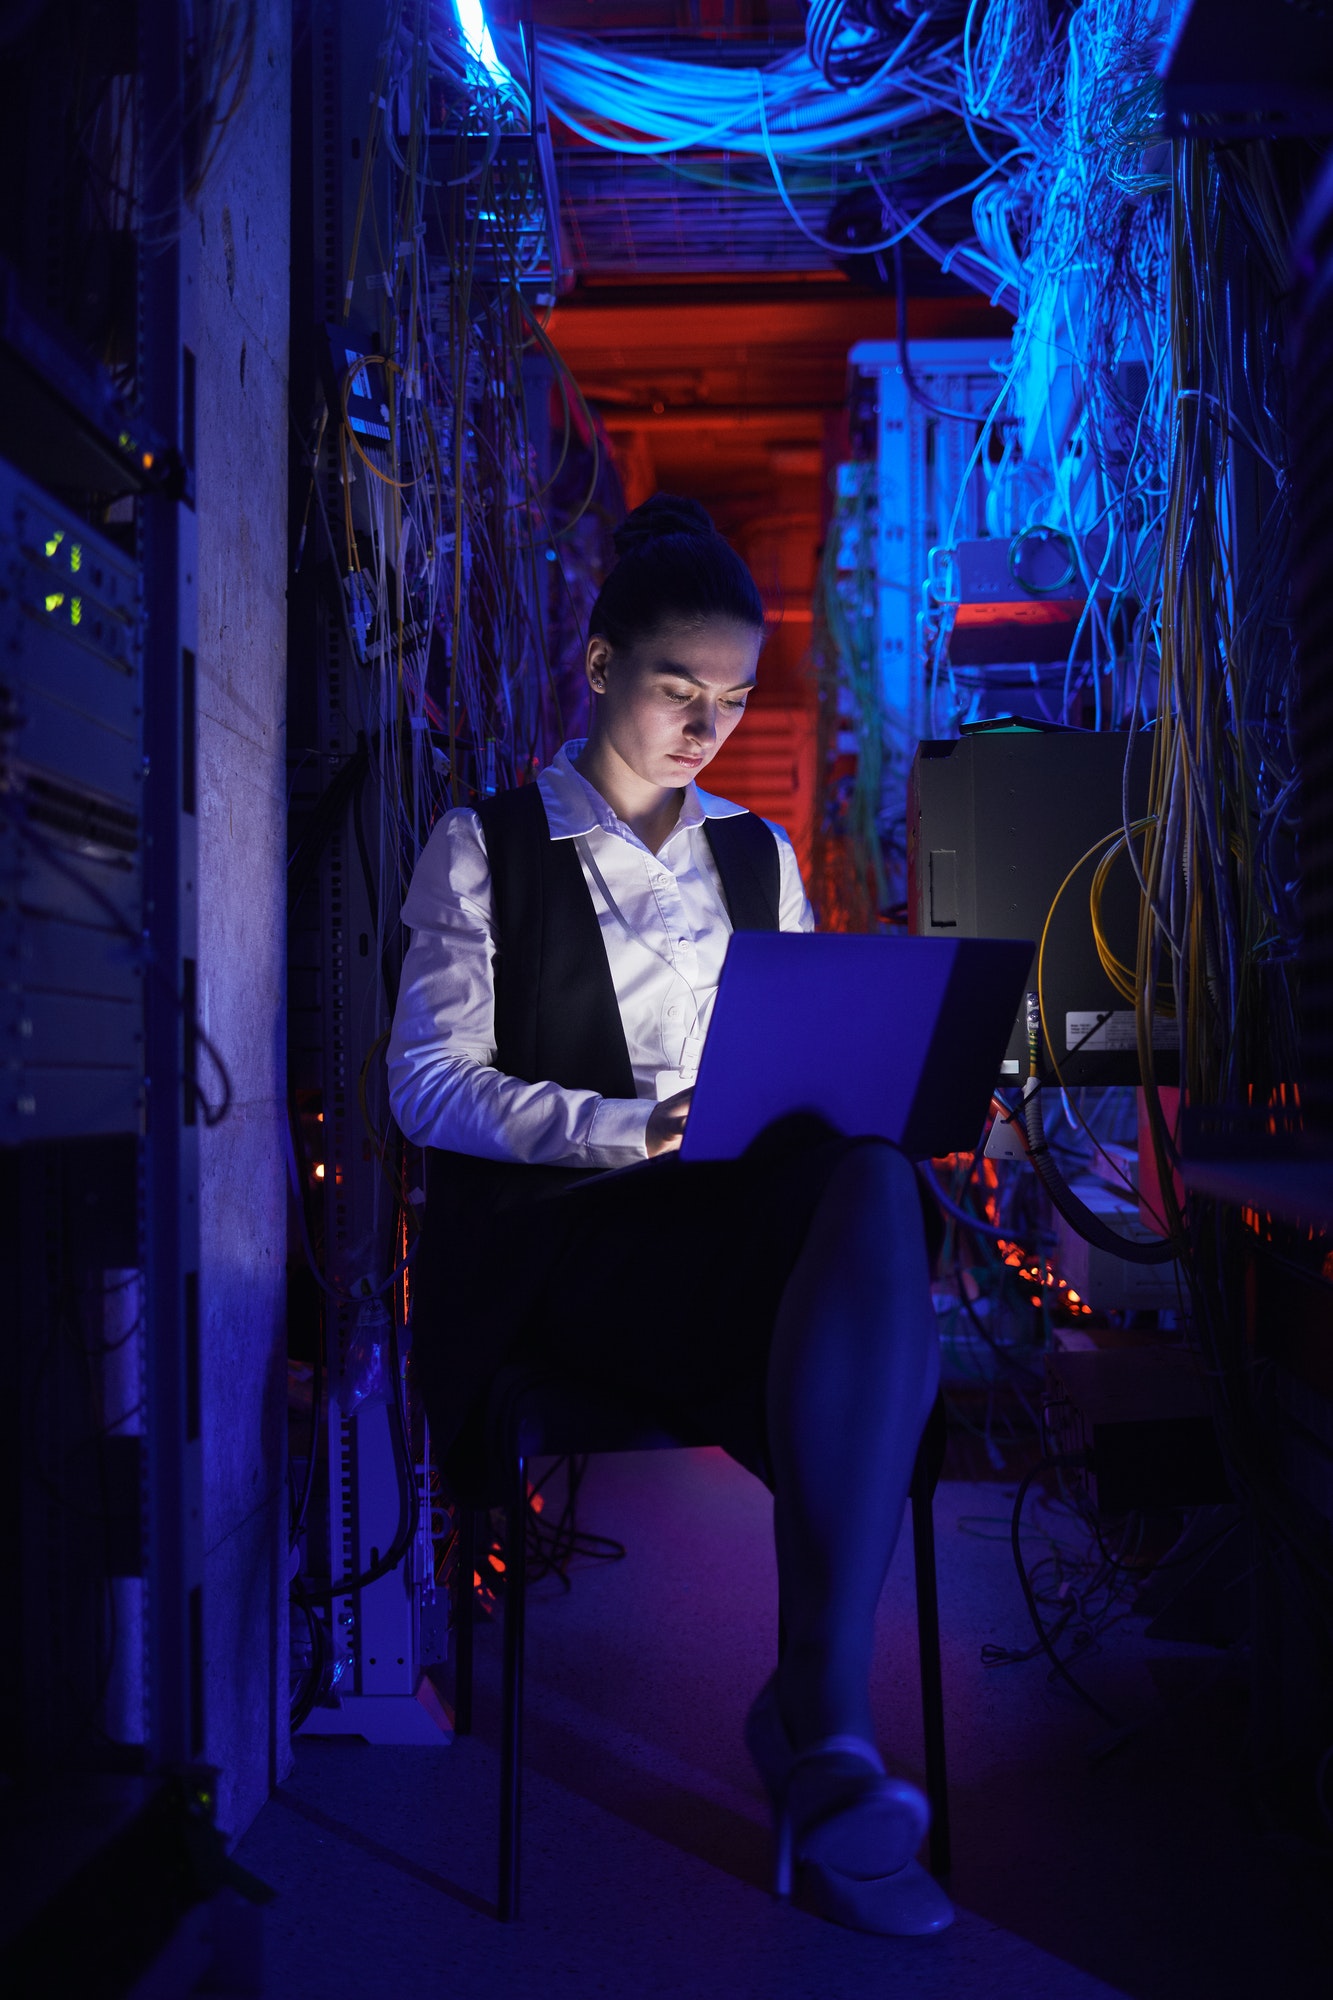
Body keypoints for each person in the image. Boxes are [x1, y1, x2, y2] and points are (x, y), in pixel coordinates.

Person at [387, 493, 952, 1936]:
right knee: (844, 1286)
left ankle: (820, 1724)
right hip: (564, 1242)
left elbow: (815, 1053)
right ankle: (822, 1741)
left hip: (724, 1227)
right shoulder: (485, 844)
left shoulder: (756, 852)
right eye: (674, 690)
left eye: (733, 699)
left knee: (876, 1179)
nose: (706, 726)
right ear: (596, 666)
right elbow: (425, 1085)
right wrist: (624, 1126)